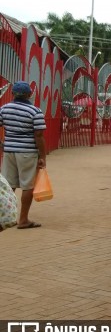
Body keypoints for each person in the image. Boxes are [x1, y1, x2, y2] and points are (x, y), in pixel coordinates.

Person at [0, 81, 47, 229]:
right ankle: (23, 219)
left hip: (9, 152)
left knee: (9, 185)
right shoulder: (35, 111)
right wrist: (42, 157)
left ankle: (6, 217)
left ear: (13, 94)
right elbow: (39, 135)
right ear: (29, 94)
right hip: (27, 152)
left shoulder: (4, 109)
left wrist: (2, 144)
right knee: (28, 186)